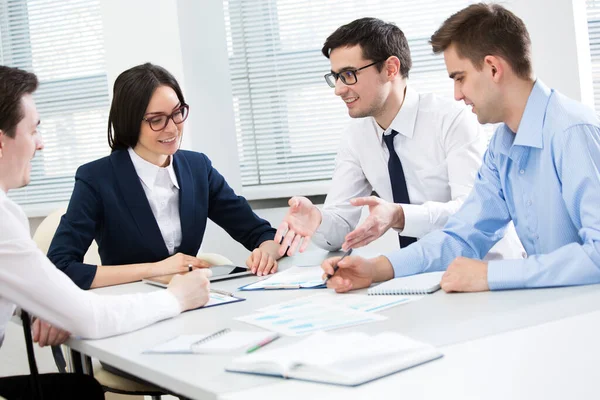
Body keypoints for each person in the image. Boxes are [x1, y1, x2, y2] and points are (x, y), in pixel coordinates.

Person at [322, 3, 600, 294]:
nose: (456, 95)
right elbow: (463, 235)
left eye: (460, 78)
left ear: (493, 68)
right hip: (555, 306)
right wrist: (377, 268)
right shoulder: (502, 145)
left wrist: (492, 275)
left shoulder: (573, 132)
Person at [0, 65, 212, 399]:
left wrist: (52, 303)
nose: (40, 145)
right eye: (33, 130)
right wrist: (176, 297)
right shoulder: (7, 216)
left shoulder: (197, 166)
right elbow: (87, 311)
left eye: (176, 114)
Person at [274, 17, 523, 259]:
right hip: (420, 271)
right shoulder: (356, 136)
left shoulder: (452, 119)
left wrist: (399, 215)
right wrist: (318, 219)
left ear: (391, 68)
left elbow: (471, 211)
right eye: (336, 77)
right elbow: (340, 229)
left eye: (349, 74)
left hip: (487, 265)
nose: (339, 89)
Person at [48, 63, 282, 290]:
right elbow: (61, 266)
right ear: (129, 122)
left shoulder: (198, 167)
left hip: (191, 301)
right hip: (130, 305)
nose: (172, 128)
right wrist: (155, 269)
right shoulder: (96, 179)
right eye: (156, 120)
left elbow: (260, 233)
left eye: (177, 113)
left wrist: (266, 253)